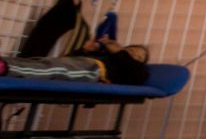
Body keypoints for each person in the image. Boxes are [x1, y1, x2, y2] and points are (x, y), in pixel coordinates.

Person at [0, 36, 151, 86]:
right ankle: (4, 63)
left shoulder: (138, 72)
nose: (133, 56)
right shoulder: (110, 56)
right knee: (40, 63)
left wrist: (120, 52)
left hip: (94, 70)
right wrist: (86, 50)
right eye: (131, 51)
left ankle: (4, 68)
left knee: (52, 69)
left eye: (138, 57)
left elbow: (138, 76)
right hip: (80, 63)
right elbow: (71, 60)